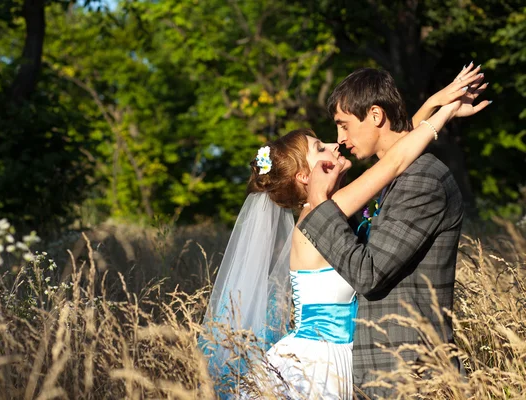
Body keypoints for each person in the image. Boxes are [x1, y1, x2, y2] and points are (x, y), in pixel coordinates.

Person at [201, 65, 488, 399]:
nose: (334, 144)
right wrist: (444, 114)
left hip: (341, 362)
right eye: (320, 148)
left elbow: (393, 153)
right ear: (305, 177)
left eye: (338, 129)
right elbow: (392, 164)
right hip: (315, 365)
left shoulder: (330, 208)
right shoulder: (322, 213)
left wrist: (436, 102)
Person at [297, 64, 490, 398]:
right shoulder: (393, 176)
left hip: (412, 371)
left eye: (343, 125)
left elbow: (368, 274)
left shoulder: (422, 180)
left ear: (375, 114)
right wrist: (435, 106)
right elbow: (395, 157)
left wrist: (318, 200)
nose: (340, 140)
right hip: (381, 371)